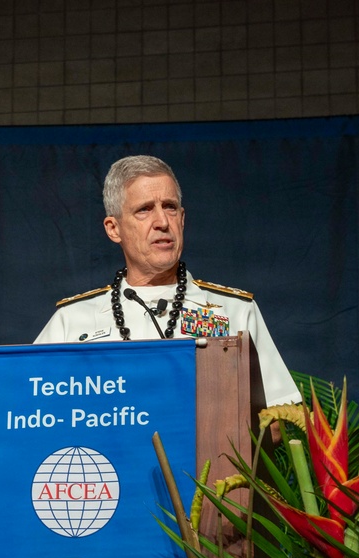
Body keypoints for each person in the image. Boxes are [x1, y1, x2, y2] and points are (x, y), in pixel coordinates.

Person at [34, 155, 301, 408]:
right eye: (144, 210)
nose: (162, 222)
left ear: (182, 219)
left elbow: (279, 416)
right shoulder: (71, 321)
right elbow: (33, 410)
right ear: (114, 229)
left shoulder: (236, 311)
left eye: (170, 207)